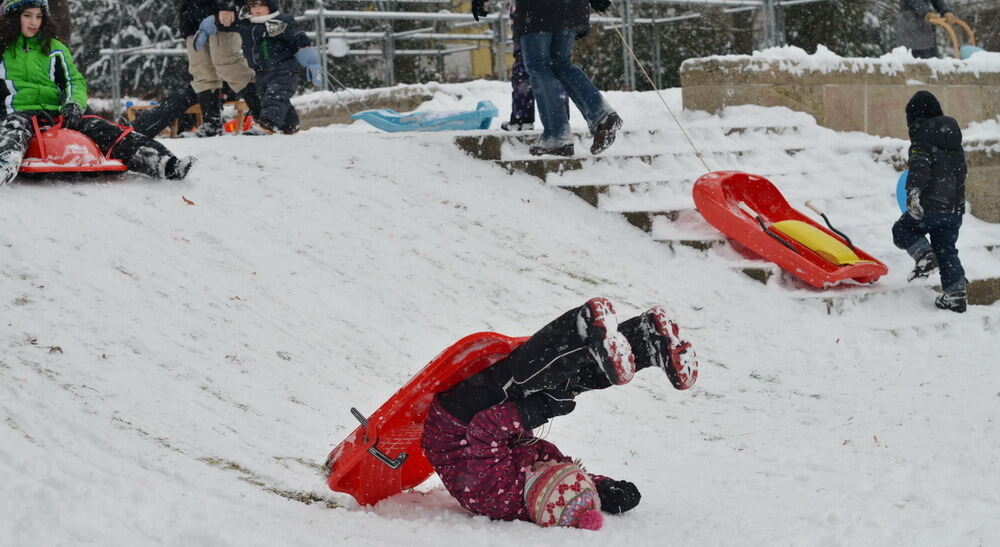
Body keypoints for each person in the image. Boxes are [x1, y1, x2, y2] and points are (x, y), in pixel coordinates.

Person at [421, 297, 698, 529]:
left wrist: (539, 409)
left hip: (455, 422)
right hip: (502, 431)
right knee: (569, 385)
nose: (552, 460)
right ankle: (647, 339)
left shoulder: (496, 494)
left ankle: (581, 327)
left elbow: (486, 429)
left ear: (537, 482)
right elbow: (566, 484)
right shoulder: (547, 482)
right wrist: (602, 489)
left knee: (518, 383)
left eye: (551, 468)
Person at [0, 0, 194, 185]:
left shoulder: (54, 49)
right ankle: (5, 166)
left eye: (39, 16)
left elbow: (73, 81)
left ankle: (163, 162)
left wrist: (74, 103)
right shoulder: (3, 50)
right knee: (13, 131)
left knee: (104, 129)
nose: (34, 22)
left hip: (55, 112)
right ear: (14, 16)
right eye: (27, 15)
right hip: (17, 112)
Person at [484, 0, 620, 156]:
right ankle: (602, 116)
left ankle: (557, 135)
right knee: (561, 65)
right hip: (571, 7)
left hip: (537, 10)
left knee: (538, 67)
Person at [195, 0, 322, 135]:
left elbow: (299, 38)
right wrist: (206, 27)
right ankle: (290, 124)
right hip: (262, 72)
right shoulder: (247, 23)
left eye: (261, 5)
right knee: (268, 98)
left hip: (284, 70)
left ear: (270, 5)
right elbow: (225, 22)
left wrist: (311, 62)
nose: (257, 10)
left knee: (276, 96)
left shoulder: (282, 22)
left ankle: (267, 125)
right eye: (253, 6)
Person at [892, 90, 968, 312]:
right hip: (954, 210)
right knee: (946, 248)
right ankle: (956, 294)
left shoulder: (922, 139)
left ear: (915, 118)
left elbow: (919, 169)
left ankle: (925, 256)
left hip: (930, 207)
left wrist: (913, 194)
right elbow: (960, 174)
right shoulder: (954, 142)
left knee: (902, 229)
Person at [179, 0, 259, 137]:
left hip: (222, 15)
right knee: (202, 71)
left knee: (229, 65)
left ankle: (265, 117)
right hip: (192, 18)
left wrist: (227, 6)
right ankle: (211, 124)